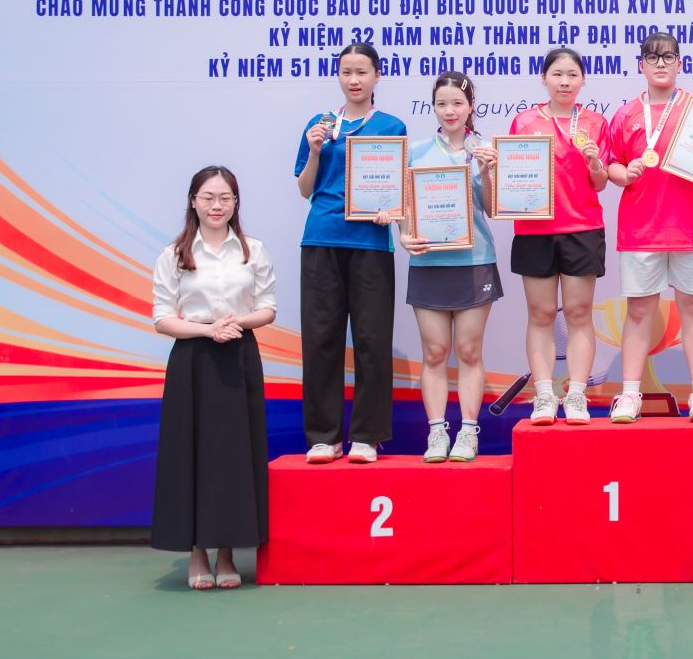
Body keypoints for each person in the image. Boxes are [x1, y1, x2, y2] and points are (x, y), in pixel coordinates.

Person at [150, 166, 277, 590]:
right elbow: (162, 318)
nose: (216, 205)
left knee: (234, 456)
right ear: (193, 201)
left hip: (239, 356)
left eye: (225, 198)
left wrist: (234, 323)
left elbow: (268, 307)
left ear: (236, 203)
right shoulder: (174, 254)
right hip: (192, 359)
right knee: (190, 452)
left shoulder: (252, 250)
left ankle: (227, 554)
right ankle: (197, 553)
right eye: (208, 197)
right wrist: (207, 330)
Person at [604, 31, 693, 423]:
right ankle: (630, 395)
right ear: (641, 65)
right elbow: (611, 165)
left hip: (692, 228)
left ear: (680, 64)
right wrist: (624, 173)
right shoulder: (625, 114)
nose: (660, 64)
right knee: (639, 312)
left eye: (668, 57)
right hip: (641, 229)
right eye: (652, 57)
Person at [294, 42, 407, 465]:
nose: (354, 80)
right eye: (347, 72)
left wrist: (390, 211)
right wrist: (316, 150)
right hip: (321, 240)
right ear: (338, 77)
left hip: (370, 243)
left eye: (362, 72)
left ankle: (366, 436)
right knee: (320, 340)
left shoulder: (391, 126)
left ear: (377, 76)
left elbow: (398, 190)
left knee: (372, 341)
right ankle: (324, 436)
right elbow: (305, 188)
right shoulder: (319, 125)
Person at [401, 71, 502, 463]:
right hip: (429, 263)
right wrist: (403, 235)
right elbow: (403, 206)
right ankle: (437, 432)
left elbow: (492, 209)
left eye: (457, 103)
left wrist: (488, 171)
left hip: (475, 262)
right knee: (435, 351)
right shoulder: (416, 152)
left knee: (469, 350)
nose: (450, 111)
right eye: (441, 104)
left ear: (471, 106)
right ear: (433, 107)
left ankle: (469, 432)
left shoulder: (484, 150)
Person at [509, 48, 609, 425]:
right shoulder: (524, 122)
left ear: (583, 80)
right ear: (544, 78)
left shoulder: (595, 123)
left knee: (579, 313)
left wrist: (595, 163)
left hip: (582, 228)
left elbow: (600, 183)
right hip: (534, 230)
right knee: (542, 314)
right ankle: (544, 395)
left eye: (572, 75)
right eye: (557, 74)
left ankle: (577, 394)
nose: (564, 82)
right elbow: (512, 178)